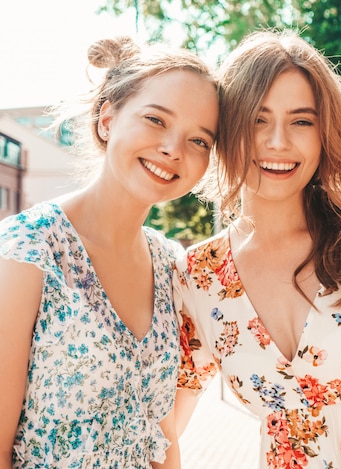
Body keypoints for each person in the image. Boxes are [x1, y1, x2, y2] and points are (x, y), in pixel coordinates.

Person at [174, 30, 341, 468]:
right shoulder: (196, 276)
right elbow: (162, 430)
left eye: (301, 120)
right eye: (258, 119)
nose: (278, 141)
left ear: (325, 134)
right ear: (226, 130)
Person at [0, 36, 219, 468]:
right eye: (156, 120)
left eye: (199, 141)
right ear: (107, 120)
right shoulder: (29, 248)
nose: (173, 149)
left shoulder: (168, 263)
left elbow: (162, 432)